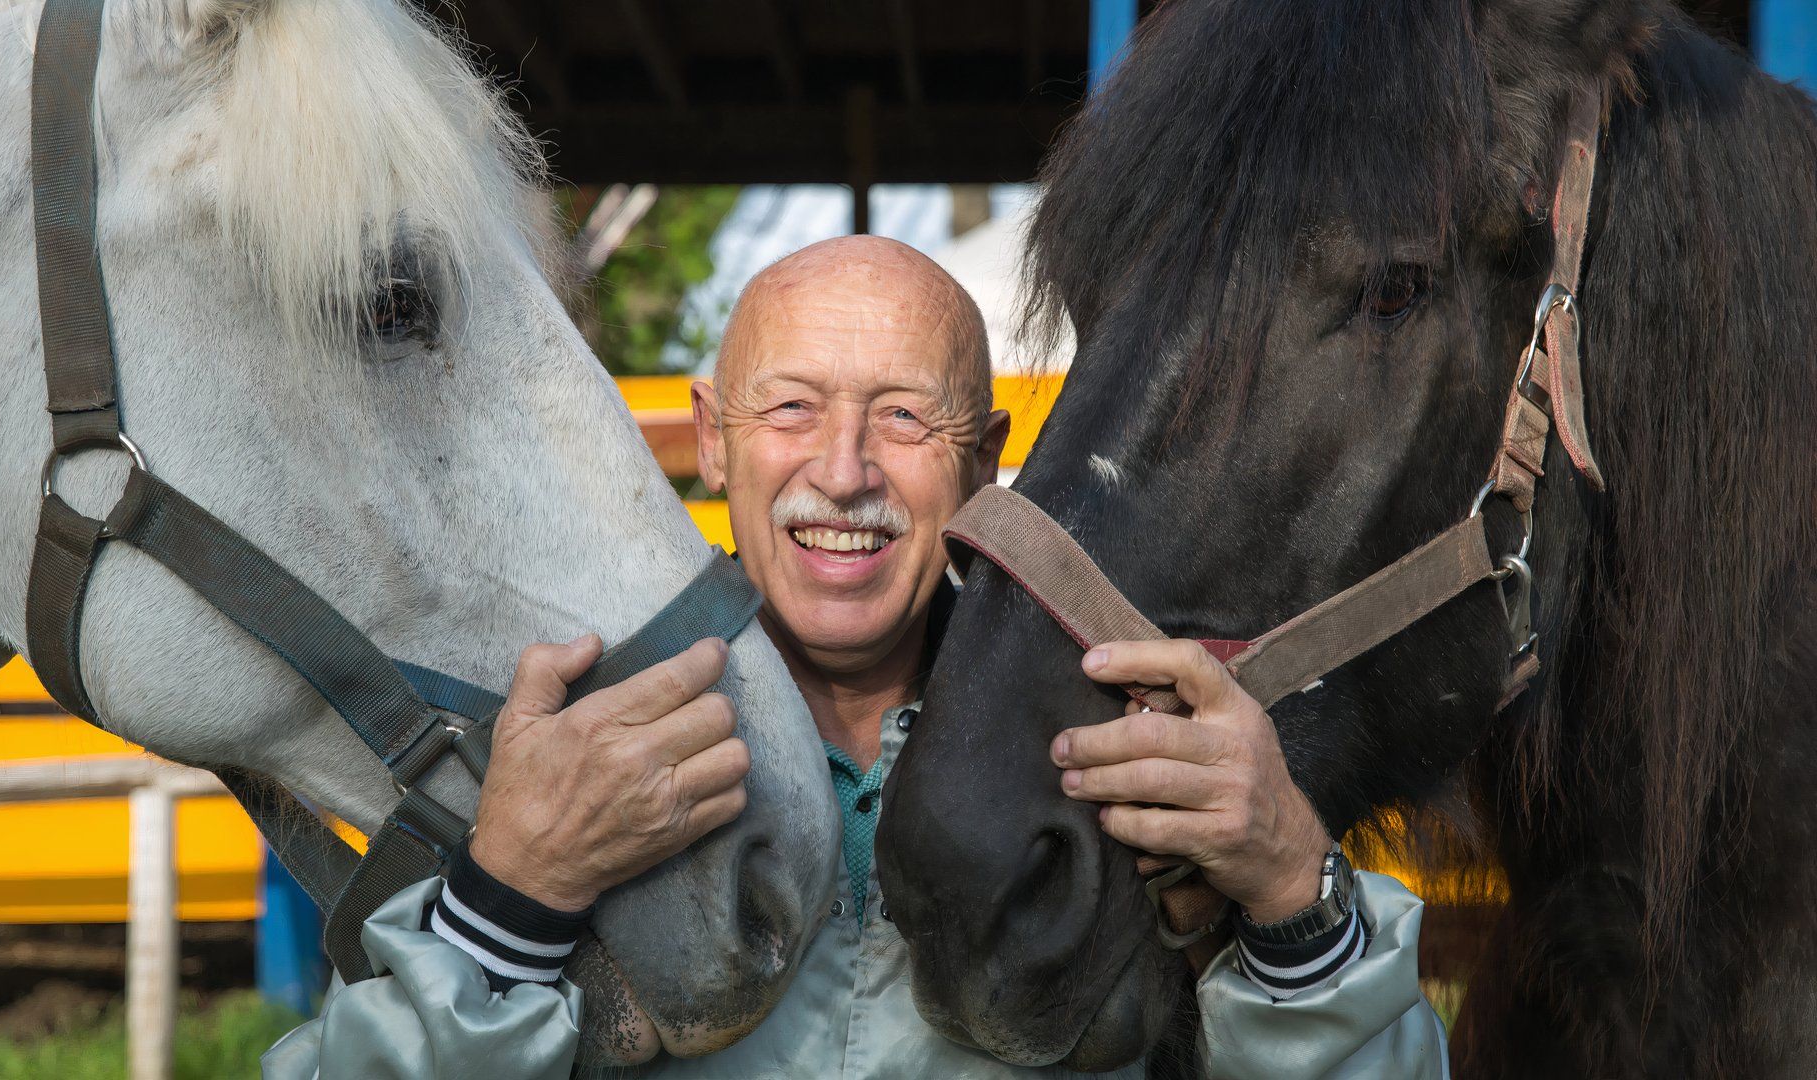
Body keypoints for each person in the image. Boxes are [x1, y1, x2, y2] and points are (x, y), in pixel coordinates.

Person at [265, 236, 1445, 1078]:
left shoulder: (1123, 747)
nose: (842, 471)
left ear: (986, 458)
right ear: (713, 439)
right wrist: (503, 902)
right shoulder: (562, 749)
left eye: (903, 417)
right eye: (788, 412)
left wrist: (1296, 889)